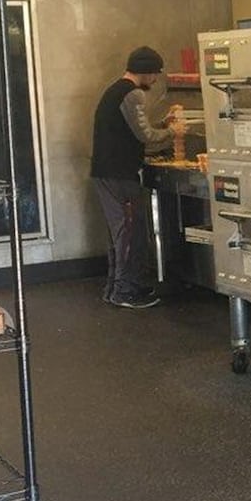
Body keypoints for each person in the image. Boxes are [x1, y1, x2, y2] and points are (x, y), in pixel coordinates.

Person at [90, 46, 174, 309]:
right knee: (130, 232)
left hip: (106, 172)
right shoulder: (133, 93)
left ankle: (118, 287)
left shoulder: (115, 90)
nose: (156, 79)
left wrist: (163, 124)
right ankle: (125, 292)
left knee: (120, 233)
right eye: (155, 74)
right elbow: (145, 136)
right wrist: (172, 132)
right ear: (146, 71)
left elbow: (134, 129)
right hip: (119, 174)